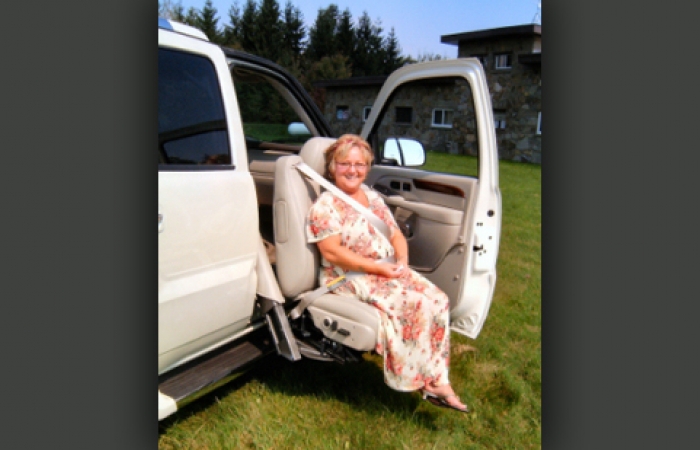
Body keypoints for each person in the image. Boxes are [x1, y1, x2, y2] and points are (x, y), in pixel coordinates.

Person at [305, 134, 468, 413]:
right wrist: (378, 267)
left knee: (438, 299)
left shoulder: (372, 198)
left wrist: (402, 260)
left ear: (368, 168)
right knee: (416, 305)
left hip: (385, 269)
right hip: (349, 277)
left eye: (360, 164)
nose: (353, 170)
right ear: (332, 167)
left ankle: (437, 379)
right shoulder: (325, 206)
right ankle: (415, 379)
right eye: (345, 163)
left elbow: (395, 234)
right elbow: (331, 253)